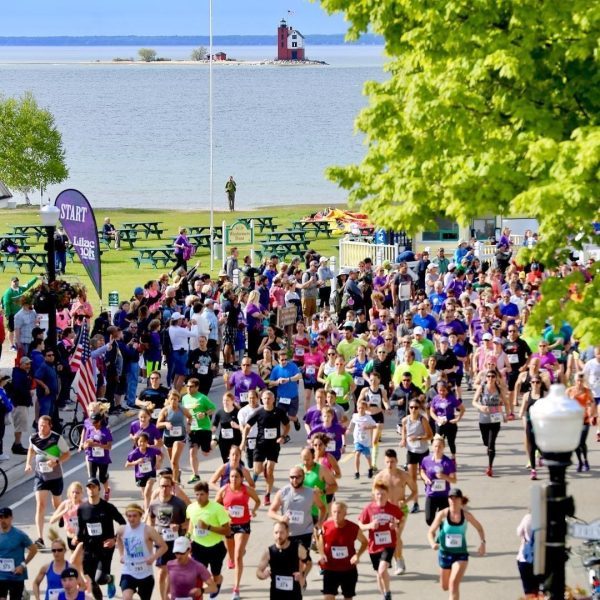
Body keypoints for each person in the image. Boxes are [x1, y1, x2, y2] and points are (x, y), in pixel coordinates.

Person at [427, 487, 486, 600]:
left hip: (461, 555)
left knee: (453, 584)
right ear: (448, 500)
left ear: (460, 500)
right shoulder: (442, 514)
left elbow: (479, 528)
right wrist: (432, 543)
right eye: (451, 498)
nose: (453, 500)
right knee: (445, 586)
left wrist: (482, 543)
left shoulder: (466, 515)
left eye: (456, 498)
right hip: (444, 553)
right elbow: (431, 532)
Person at [75, 478, 126, 600]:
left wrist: (114, 539)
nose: (91, 490)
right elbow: (81, 527)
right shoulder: (82, 509)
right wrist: (76, 538)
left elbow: (123, 523)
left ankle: (110, 579)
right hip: (89, 548)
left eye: (94, 487)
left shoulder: (108, 507)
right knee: (92, 582)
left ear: (99, 489)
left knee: (100, 578)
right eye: (89, 487)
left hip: (105, 548)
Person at [25, 415, 71, 548]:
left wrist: (56, 461)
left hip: (55, 477)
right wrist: (28, 463)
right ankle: (40, 538)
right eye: (40, 425)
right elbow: (31, 449)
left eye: (44, 425)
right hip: (40, 477)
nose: (41, 428)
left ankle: (62, 515)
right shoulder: (33, 438)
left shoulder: (56, 438)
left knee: (57, 504)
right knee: (40, 505)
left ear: (50, 426)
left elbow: (67, 454)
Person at [215, 468, 260, 600]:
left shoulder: (246, 490)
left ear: (242, 478)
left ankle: (236, 589)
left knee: (237, 556)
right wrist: (223, 511)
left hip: (243, 525)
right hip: (228, 525)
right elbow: (216, 504)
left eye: (237, 477)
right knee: (231, 555)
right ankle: (233, 556)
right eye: (232, 477)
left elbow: (257, 500)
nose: (234, 479)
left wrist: (254, 510)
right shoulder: (224, 490)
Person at [241, 389, 290, 506]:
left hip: (274, 445)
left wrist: (283, 437)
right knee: (257, 469)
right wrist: (243, 442)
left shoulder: (279, 412)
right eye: (265, 399)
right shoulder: (258, 412)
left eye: (269, 398)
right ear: (261, 400)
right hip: (260, 444)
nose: (267, 400)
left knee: (270, 471)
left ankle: (267, 495)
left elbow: (287, 426)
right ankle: (260, 470)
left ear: (273, 399)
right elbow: (247, 427)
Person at [374, 449, 418, 575]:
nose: (390, 464)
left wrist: (406, 500)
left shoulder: (404, 475)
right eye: (387, 462)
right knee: (391, 537)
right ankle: (398, 558)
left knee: (396, 535)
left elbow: (414, 490)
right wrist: (378, 505)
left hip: (400, 510)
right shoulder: (380, 477)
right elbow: (374, 493)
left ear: (397, 461)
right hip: (386, 511)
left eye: (392, 461)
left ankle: (399, 561)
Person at [186, 481, 231, 599]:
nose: (199, 497)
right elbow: (191, 522)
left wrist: (208, 527)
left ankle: (218, 581)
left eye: (201, 494)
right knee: (197, 577)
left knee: (215, 575)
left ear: (207, 494)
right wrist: (188, 536)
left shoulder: (217, 509)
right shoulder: (191, 508)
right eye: (196, 494)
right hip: (198, 547)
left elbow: (227, 531)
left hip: (215, 548)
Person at [358, 482, 404, 600]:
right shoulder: (369, 508)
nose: (380, 496)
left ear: (388, 494)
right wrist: (370, 525)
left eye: (383, 494)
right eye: (378, 494)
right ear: (374, 494)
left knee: (382, 569)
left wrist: (396, 524)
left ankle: (387, 593)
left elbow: (401, 518)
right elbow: (360, 525)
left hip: (389, 544)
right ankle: (384, 594)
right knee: (379, 574)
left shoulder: (392, 508)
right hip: (374, 546)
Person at [147, 474, 189, 600]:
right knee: (161, 573)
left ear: (172, 487)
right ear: (159, 487)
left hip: (176, 543)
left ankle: (171, 595)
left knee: (173, 572)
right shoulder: (154, 504)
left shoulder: (179, 503)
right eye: (162, 486)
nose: (164, 489)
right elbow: (151, 519)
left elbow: (189, 522)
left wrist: (180, 526)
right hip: (161, 543)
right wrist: (151, 532)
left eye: (167, 486)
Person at [316, 500, 368, 600]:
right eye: (334, 512)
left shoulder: (353, 528)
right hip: (330, 569)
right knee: (328, 597)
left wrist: (357, 555)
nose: (336, 515)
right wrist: (322, 554)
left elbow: (365, 542)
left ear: (345, 513)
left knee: (348, 597)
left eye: (339, 512)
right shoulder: (326, 526)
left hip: (348, 569)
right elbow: (320, 540)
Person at [115, 503, 167, 600]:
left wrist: (153, 558)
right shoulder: (122, 529)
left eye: (135, 516)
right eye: (129, 516)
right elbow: (118, 539)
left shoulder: (148, 530)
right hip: (128, 571)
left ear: (140, 516)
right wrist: (121, 555)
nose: (132, 519)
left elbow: (164, 547)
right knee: (126, 597)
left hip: (145, 573)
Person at [472, 370, 510, 477]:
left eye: (493, 376)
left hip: (495, 419)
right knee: (486, 442)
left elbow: (506, 403)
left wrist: (506, 414)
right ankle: (488, 448)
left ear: (496, 378)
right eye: (488, 376)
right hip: (483, 419)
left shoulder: (499, 389)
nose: (490, 378)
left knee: (491, 443)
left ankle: (490, 467)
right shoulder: (482, 388)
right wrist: (480, 407)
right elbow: (473, 402)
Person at [256, 522, 306, 600]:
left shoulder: (298, 549)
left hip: (294, 595)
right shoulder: (269, 551)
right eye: (276, 533)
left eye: (282, 532)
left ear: (287, 533)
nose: (279, 536)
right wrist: (263, 575)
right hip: (276, 595)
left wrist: (302, 574)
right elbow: (258, 571)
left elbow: (308, 563)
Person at [401, 399, 433, 513]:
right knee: (412, 478)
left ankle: (431, 497)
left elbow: (430, 435)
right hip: (411, 452)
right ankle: (415, 503)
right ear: (408, 408)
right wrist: (403, 440)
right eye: (411, 407)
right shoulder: (405, 420)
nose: (413, 410)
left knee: (425, 477)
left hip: (423, 451)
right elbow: (404, 432)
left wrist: (418, 438)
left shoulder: (422, 419)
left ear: (419, 408)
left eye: (416, 407)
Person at [182, 378, 216, 484]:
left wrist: (205, 414)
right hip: (192, 429)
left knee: (206, 453)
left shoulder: (202, 398)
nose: (188, 388)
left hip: (204, 428)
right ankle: (195, 475)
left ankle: (215, 440)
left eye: (191, 386)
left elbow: (213, 408)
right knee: (192, 452)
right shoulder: (185, 398)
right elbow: (185, 412)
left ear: (197, 387)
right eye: (187, 386)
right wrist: (187, 424)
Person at [0, 506, 38, 600]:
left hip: (16, 576)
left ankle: (23, 594)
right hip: (1, 576)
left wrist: (23, 565)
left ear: (11, 518)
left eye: (5, 517)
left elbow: (33, 550)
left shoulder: (20, 535)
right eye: (0, 517)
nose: (3, 520)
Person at [156, 390, 192, 485]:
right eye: (171, 399)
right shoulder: (165, 410)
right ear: (168, 399)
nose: (173, 401)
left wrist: (188, 425)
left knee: (174, 461)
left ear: (178, 400)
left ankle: (175, 483)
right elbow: (158, 424)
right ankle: (177, 473)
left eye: (175, 399)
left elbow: (190, 416)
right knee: (173, 462)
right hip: (168, 437)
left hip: (180, 437)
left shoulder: (182, 409)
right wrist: (165, 423)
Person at [420, 435, 457, 526]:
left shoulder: (448, 462)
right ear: (432, 446)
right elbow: (422, 471)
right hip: (431, 494)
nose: (437, 448)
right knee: (429, 520)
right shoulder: (426, 460)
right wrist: (426, 479)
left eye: (440, 446)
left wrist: (444, 476)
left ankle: (441, 535)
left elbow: (454, 480)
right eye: (435, 446)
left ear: (444, 447)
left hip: (444, 495)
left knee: (447, 520)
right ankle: (439, 524)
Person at [80, 407, 113, 501]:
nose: (94, 424)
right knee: (92, 478)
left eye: (95, 422)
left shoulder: (106, 431)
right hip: (92, 457)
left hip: (103, 458)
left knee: (102, 478)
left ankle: (107, 490)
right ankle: (94, 495)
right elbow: (86, 443)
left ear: (100, 421)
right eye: (92, 422)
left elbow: (109, 446)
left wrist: (96, 444)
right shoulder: (90, 429)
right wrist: (85, 446)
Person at [125, 432, 163, 510]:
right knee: (145, 494)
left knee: (147, 492)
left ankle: (147, 510)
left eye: (144, 441)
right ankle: (150, 503)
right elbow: (126, 465)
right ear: (137, 442)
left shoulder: (152, 450)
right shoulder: (134, 453)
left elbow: (161, 454)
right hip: (140, 476)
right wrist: (137, 462)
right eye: (140, 441)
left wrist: (158, 463)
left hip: (151, 474)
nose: (142, 443)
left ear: (147, 442)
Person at [270, 351, 303, 432]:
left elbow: (299, 376)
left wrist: (288, 379)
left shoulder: (292, 366)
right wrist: (277, 382)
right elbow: (270, 383)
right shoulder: (276, 369)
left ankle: (295, 420)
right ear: (278, 360)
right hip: (281, 398)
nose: (284, 361)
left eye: (285, 359)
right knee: (281, 417)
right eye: (282, 360)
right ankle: (285, 434)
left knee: (291, 417)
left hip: (293, 397)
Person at [2, 276, 38, 349]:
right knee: (11, 330)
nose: (15, 283)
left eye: (17, 281)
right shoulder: (8, 292)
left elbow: (28, 285)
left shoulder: (20, 289)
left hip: (21, 314)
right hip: (12, 314)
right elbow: (6, 304)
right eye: (14, 281)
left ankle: (19, 342)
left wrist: (36, 278)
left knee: (20, 328)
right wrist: (7, 314)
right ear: (11, 282)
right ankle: (12, 345)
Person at [49, 482, 85, 551]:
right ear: (69, 493)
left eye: (77, 492)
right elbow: (52, 520)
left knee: (82, 558)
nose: (75, 494)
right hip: (70, 536)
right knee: (75, 559)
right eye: (73, 492)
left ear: (81, 494)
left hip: (82, 536)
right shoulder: (65, 504)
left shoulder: (84, 504)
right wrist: (65, 511)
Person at [349, 399, 378, 480]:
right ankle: (357, 472)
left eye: (362, 408)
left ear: (365, 409)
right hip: (357, 440)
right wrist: (348, 429)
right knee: (357, 454)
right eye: (359, 408)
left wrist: (367, 427)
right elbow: (352, 422)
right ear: (357, 408)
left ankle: (370, 469)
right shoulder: (355, 416)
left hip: (365, 440)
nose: (360, 410)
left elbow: (375, 426)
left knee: (367, 456)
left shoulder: (368, 418)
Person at [516, 512, 542, 598]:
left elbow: (519, 532)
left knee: (529, 592)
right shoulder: (548, 518)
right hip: (541, 560)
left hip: (525, 558)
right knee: (541, 591)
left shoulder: (528, 517)